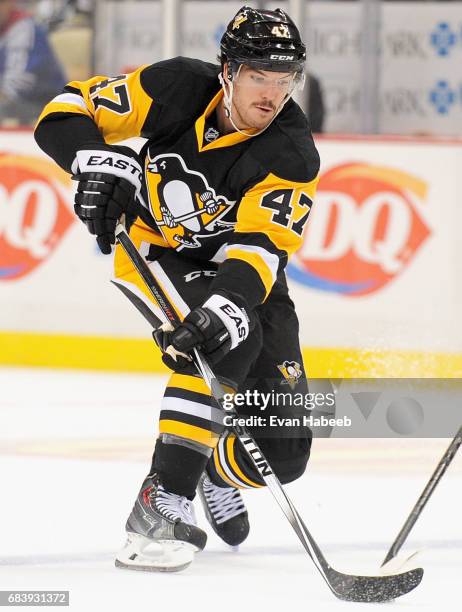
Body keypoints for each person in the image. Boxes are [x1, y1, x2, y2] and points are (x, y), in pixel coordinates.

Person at [34, 5, 320, 572]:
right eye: (259, 75)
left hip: (242, 269)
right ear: (228, 72)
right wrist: (94, 160)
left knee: (285, 452)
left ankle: (214, 468)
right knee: (223, 346)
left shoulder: (291, 151)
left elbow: (261, 250)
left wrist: (225, 307)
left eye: (284, 79)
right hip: (156, 249)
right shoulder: (175, 86)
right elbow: (63, 110)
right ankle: (161, 501)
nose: (272, 93)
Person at [0, 0, 67, 124]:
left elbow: (17, 86)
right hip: (18, 103)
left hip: (46, 106)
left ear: (10, 3)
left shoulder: (24, 28)